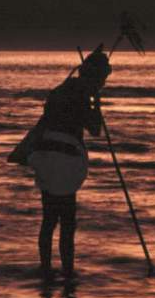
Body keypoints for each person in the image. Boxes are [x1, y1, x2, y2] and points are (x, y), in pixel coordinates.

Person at [27, 46, 110, 277]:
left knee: (49, 219)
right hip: (64, 159)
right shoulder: (85, 94)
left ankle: (45, 270)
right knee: (67, 223)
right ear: (97, 76)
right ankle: (68, 275)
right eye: (103, 78)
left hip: (44, 156)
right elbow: (94, 130)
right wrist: (96, 103)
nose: (104, 83)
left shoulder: (59, 90)